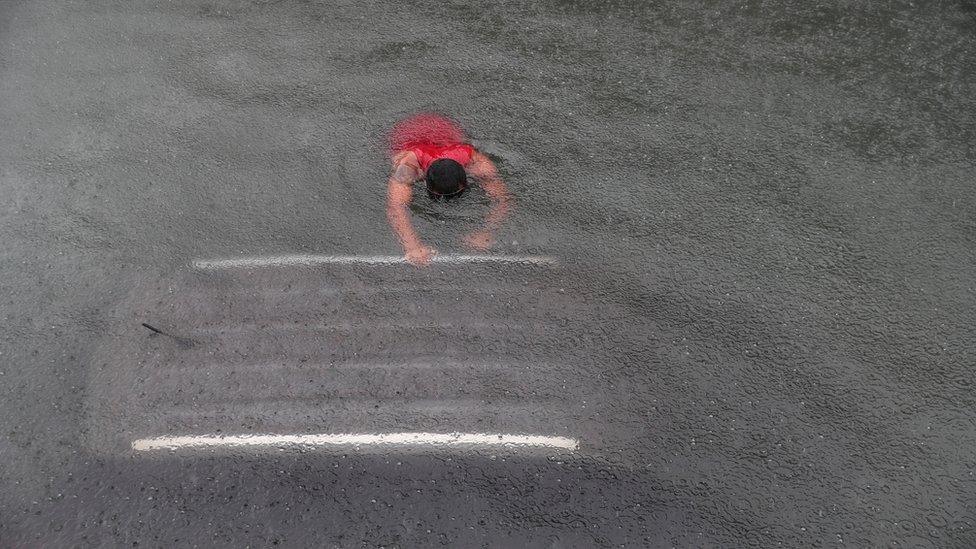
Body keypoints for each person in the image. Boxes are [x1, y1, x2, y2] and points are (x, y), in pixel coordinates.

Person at [386, 113, 511, 266]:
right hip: (407, 134)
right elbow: (395, 207)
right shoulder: (409, 167)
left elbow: (503, 199)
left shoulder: (477, 163)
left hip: (444, 128)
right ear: (425, 183)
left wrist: (486, 232)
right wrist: (412, 246)